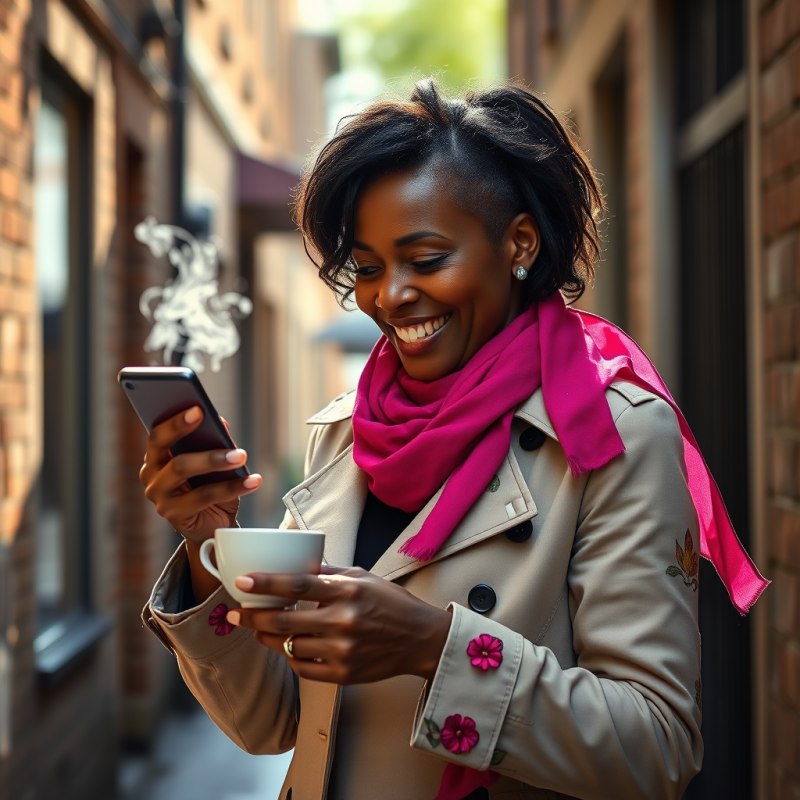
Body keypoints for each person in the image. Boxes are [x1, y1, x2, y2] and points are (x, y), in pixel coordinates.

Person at [138, 79, 767, 800]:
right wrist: (207, 542)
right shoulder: (345, 433)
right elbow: (273, 722)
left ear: (518, 244)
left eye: (428, 258)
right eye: (368, 268)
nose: (390, 295)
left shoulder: (611, 433)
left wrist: (435, 648)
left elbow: (657, 747)